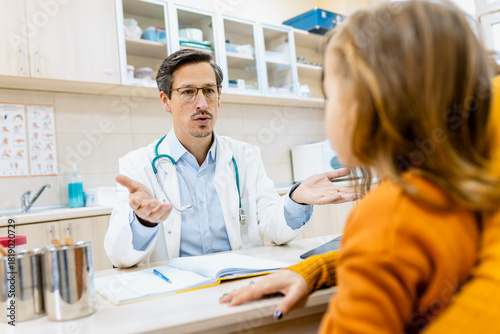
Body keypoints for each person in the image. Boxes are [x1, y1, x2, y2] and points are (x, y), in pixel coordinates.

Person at [220, 1, 500, 333]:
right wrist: (318, 269)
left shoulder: (387, 212)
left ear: (368, 101)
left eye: (329, 96)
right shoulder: (461, 190)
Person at [104, 49, 360, 268]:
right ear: (165, 100)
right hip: (177, 293)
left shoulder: (246, 156)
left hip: (238, 282)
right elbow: (118, 255)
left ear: (219, 96)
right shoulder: (137, 165)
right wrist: (142, 221)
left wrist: (296, 200)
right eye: (188, 92)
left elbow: (273, 228)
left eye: (209, 90)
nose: (202, 103)